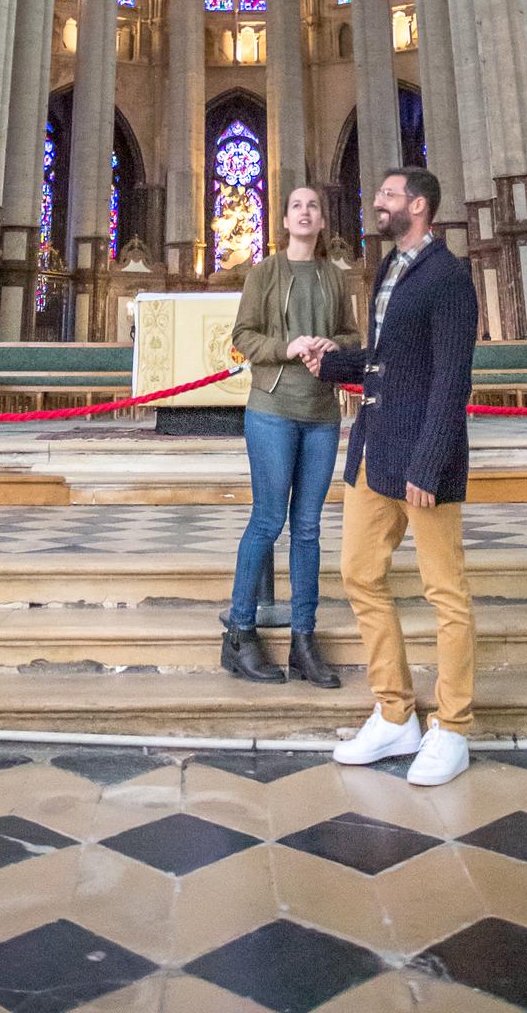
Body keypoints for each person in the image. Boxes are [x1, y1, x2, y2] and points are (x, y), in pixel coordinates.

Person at [301, 167, 478, 786]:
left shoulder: (449, 277)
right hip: (374, 450)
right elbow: (385, 361)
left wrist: (429, 461)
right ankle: (395, 711)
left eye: (389, 196)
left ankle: (452, 727)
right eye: (378, 194)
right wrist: (332, 362)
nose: (377, 202)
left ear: (420, 206)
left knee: (445, 593)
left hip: (422, 459)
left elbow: (451, 377)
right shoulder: (389, 269)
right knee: (359, 574)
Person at [225, 185, 360, 687]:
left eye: (314, 207)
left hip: (322, 412)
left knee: (308, 528)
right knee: (267, 520)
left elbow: (351, 335)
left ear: (323, 220)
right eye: (296, 206)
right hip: (273, 409)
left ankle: (305, 640)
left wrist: (331, 343)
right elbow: (242, 336)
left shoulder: (333, 275)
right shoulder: (264, 272)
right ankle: (239, 632)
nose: (305, 213)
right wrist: (289, 346)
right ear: (284, 220)